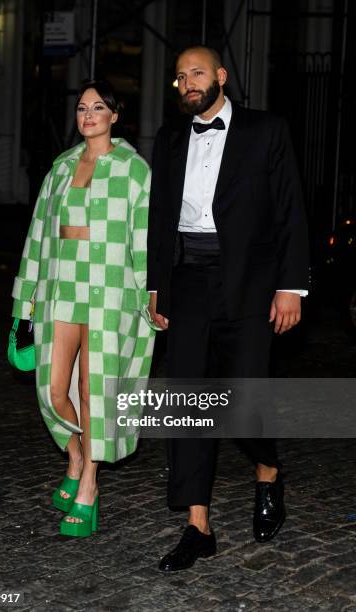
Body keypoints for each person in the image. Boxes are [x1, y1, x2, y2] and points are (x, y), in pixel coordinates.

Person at [147, 46, 309, 571]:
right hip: (189, 279)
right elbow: (159, 218)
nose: (187, 83)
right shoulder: (171, 136)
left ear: (220, 76)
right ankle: (198, 525)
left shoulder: (266, 130)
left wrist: (291, 287)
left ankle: (267, 471)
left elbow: (290, 209)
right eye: (179, 77)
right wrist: (156, 286)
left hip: (250, 282)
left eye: (196, 73)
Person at [11, 79, 156, 537]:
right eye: (81, 108)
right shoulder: (60, 168)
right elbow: (37, 235)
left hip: (110, 292)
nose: (88, 114)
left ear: (115, 116)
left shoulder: (134, 170)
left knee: (96, 393)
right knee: (53, 391)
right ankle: (75, 455)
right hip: (61, 286)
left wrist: (149, 297)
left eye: (98, 107)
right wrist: (25, 302)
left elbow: (144, 240)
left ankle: (89, 486)